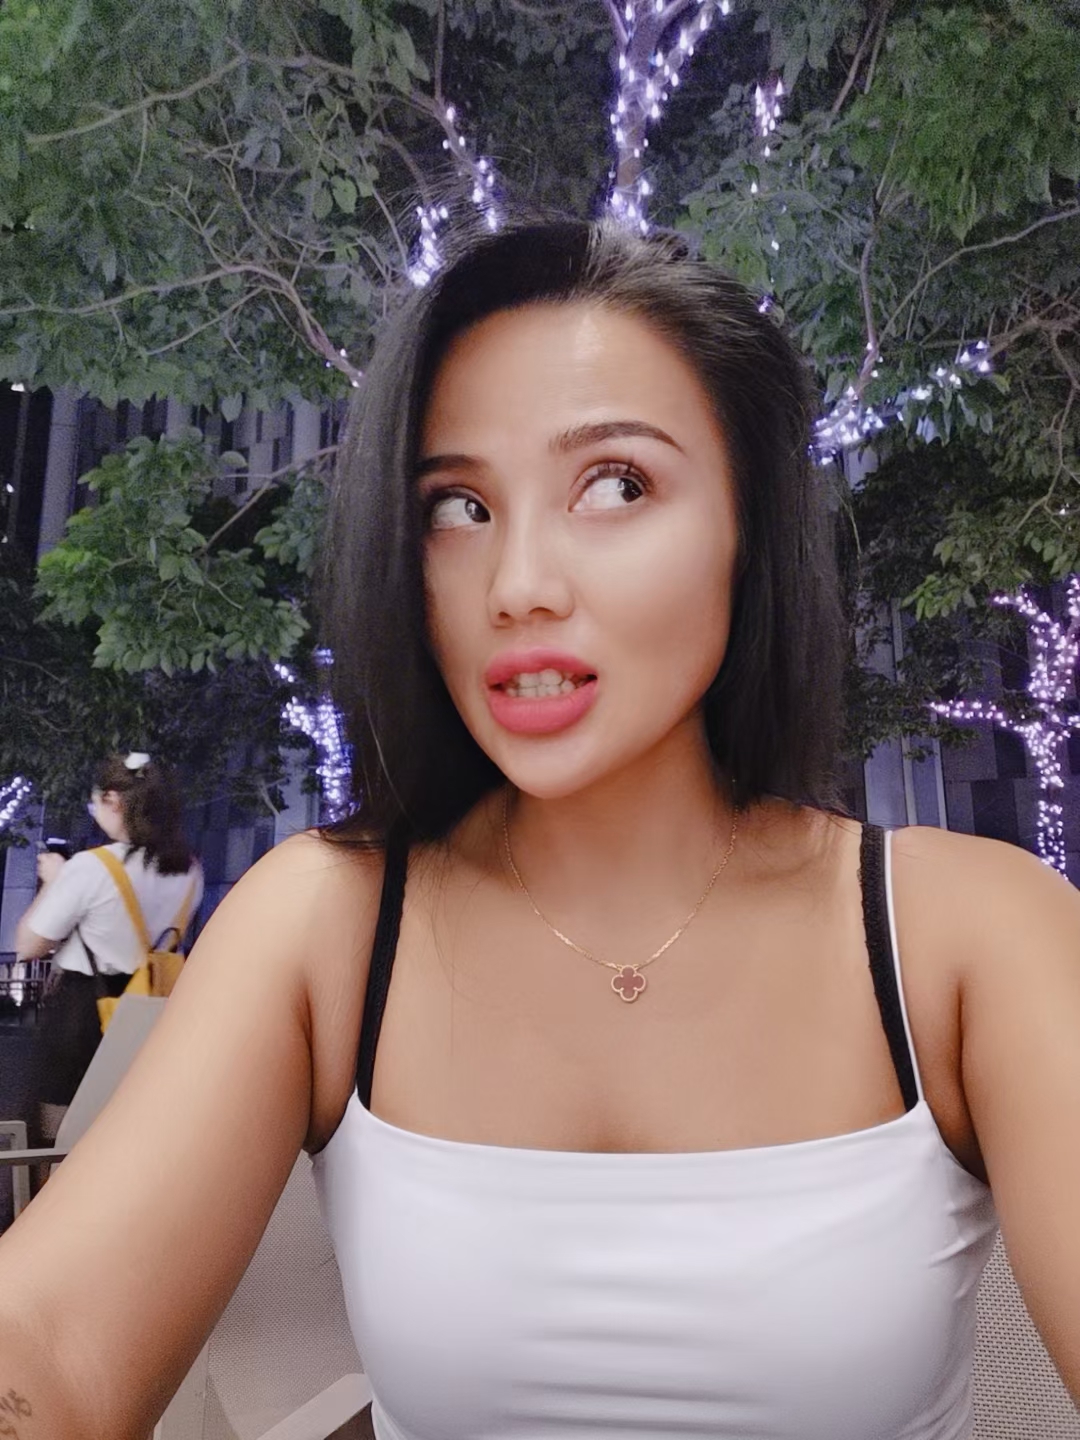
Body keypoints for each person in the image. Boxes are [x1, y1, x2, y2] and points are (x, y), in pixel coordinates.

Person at [1, 219, 1078, 1439]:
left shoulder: (968, 934)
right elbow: (53, 1344)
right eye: (458, 506)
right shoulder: (325, 923)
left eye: (616, 485)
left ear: (749, 530)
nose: (516, 585)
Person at [15, 752, 204, 1148]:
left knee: (59, 1138)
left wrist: (55, 881)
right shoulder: (190, 869)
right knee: (129, 1133)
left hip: (84, 1013)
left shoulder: (91, 867)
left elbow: (29, 944)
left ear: (114, 800)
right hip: (153, 1013)